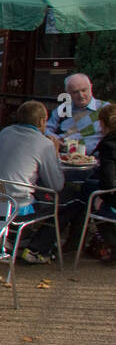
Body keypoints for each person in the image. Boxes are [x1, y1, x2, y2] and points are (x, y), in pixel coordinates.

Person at [0, 100, 66, 263]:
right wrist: (55, 153)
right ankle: (37, 248)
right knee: (65, 202)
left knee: (34, 193)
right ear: (42, 121)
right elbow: (56, 185)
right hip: (15, 208)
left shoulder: (5, 132)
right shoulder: (44, 144)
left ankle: (15, 241)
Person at [58, 103, 116, 262]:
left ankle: (107, 243)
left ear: (102, 124)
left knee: (84, 195)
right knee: (87, 193)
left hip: (111, 200)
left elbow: (109, 183)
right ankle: (76, 241)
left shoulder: (109, 145)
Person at [45, 73, 105, 156]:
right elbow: (45, 129)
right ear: (68, 93)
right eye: (75, 92)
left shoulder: (105, 109)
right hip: (64, 158)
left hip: (93, 160)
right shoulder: (63, 109)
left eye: (84, 90)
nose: (81, 95)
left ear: (91, 87)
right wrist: (56, 139)